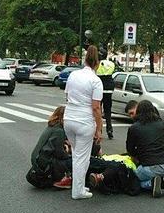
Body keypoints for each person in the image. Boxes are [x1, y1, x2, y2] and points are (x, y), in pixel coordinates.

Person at [63, 45, 104, 200]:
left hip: (69, 119)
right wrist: (99, 129)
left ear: (85, 60)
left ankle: (78, 186)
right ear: (97, 63)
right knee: (82, 157)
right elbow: (96, 108)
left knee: (76, 155)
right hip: (84, 122)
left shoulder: (73, 75)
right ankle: (78, 191)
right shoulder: (96, 81)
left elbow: (67, 97)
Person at [126, 100, 164, 198]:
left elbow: (130, 149)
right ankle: (162, 180)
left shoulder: (134, 128)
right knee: (153, 173)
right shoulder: (160, 123)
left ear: (138, 111)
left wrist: (136, 157)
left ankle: (153, 184)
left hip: (149, 167)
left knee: (134, 179)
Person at [29, 106, 73, 189]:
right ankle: (64, 178)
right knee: (72, 161)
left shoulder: (52, 126)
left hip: (38, 160)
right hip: (45, 163)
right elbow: (59, 153)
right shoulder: (59, 131)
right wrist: (67, 153)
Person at [96, 46, 116, 139]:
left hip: (100, 87)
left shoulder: (97, 64)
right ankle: (109, 129)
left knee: (98, 110)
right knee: (108, 111)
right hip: (109, 88)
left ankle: (99, 130)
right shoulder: (111, 64)